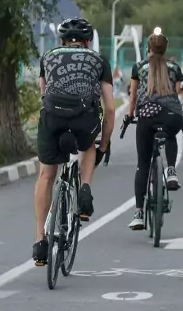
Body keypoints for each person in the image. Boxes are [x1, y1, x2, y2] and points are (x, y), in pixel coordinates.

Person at [32, 17, 115, 266]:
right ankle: (85, 188)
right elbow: (110, 108)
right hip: (82, 118)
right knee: (88, 146)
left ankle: (40, 241)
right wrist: (104, 145)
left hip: (53, 117)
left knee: (46, 175)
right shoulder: (99, 60)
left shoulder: (48, 57)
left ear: (62, 41)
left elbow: (44, 94)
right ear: (88, 42)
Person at [126, 28, 183, 230]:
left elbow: (133, 97)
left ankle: (138, 213)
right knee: (170, 133)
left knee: (143, 164)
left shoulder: (139, 67)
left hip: (147, 116)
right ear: (165, 49)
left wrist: (130, 115)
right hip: (172, 115)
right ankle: (171, 170)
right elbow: (176, 93)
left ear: (148, 48)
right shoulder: (174, 67)